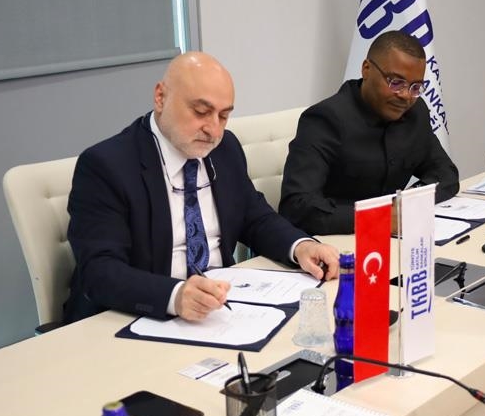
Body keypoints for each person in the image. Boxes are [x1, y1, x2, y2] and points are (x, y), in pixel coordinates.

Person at [65, 52, 339, 323]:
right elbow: (100, 270)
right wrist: (174, 296)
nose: (214, 130)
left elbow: (254, 217)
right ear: (160, 97)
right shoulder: (107, 165)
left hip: (222, 307)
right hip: (139, 315)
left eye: (224, 116)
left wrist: (300, 246)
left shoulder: (225, 148)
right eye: (201, 112)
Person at [279, 30, 459, 235]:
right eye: (396, 82)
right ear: (366, 69)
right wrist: (379, 218)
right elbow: (296, 207)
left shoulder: (415, 113)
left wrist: (406, 202)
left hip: (395, 240)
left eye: (415, 87)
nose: (406, 96)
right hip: (337, 241)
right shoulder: (325, 120)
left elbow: (445, 174)